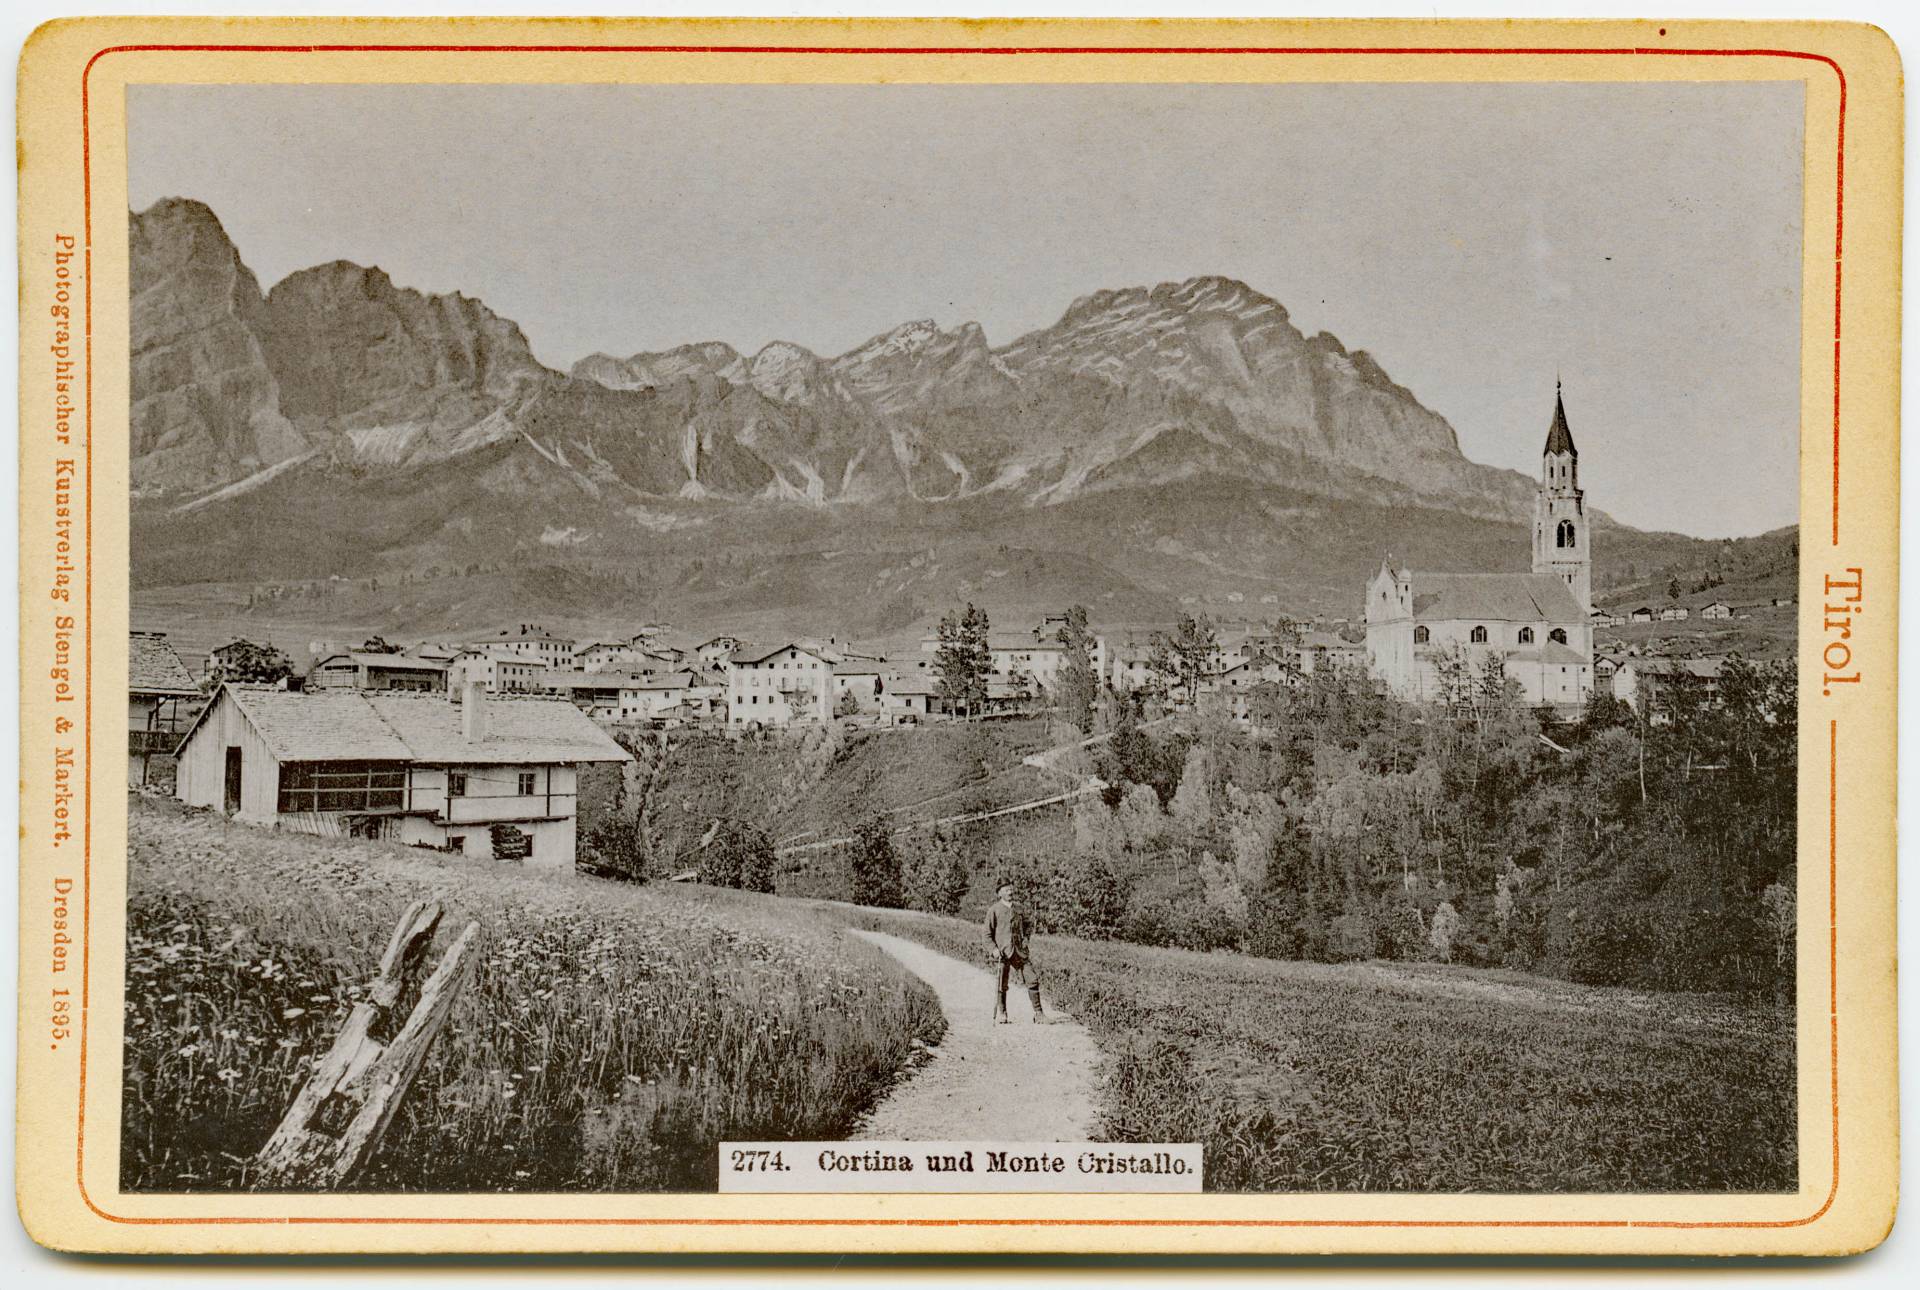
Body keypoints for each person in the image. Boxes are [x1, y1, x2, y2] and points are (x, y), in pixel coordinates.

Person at [983, 880, 1046, 1023]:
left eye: (1010, 889)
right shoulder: (994, 910)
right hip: (1002, 953)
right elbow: (986, 934)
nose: (1010, 892)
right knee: (1001, 983)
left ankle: (1039, 1014)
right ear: (999, 893)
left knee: (1032, 979)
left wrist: (1026, 939)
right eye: (1006, 890)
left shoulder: (1019, 909)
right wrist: (993, 950)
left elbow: (1028, 925)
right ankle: (1002, 1013)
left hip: (1019, 952)